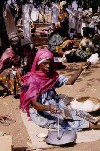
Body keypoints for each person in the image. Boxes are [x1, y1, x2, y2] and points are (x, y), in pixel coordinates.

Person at [20, 48, 100, 130]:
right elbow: (35, 104)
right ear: (39, 64)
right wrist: (49, 108)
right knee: (67, 123)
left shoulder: (51, 75)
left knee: (75, 113)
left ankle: (94, 121)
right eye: (45, 63)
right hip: (41, 111)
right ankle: (92, 125)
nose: (48, 66)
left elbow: (69, 82)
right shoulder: (33, 80)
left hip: (54, 106)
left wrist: (80, 69)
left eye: (50, 63)